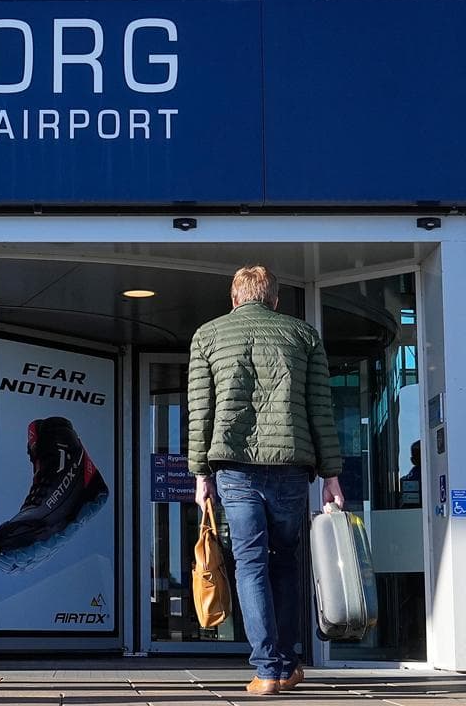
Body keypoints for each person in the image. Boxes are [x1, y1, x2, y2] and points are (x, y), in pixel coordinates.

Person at [188, 266, 344, 696]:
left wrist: (200, 472)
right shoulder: (304, 336)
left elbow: (200, 411)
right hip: (292, 466)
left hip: (234, 468)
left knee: (251, 563)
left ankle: (267, 669)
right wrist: (331, 474)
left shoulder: (207, 336)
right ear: (274, 299)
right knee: (285, 561)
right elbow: (321, 410)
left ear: (234, 298)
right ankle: (289, 663)